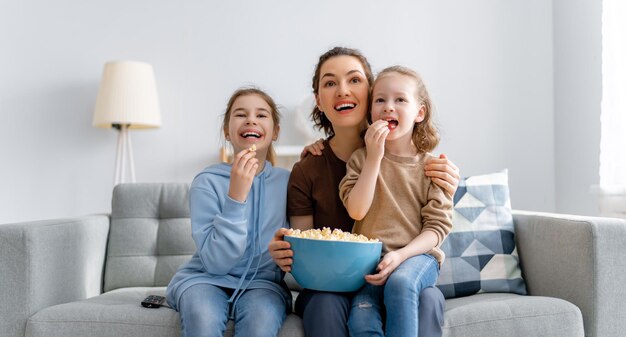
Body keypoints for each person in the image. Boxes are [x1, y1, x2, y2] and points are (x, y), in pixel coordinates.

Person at [269, 47, 459, 337]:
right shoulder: (309, 168)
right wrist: (287, 253)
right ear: (319, 101)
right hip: (335, 284)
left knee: (428, 298)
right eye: (330, 83)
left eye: (354, 80)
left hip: (399, 269)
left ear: (369, 92)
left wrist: (449, 180)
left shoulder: (423, 162)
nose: (343, 90)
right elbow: (304, 246)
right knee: (325, 303)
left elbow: (436, 219)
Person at [166, 88, 291, 337]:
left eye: (261, 115)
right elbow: (216, 262)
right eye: (240, 114)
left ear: (275, 131)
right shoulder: (206, 181)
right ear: (227, 130)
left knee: (260, 323)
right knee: (202, 318)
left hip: (263, 284)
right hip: (205, 279)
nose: (251, 120)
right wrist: (236, 197)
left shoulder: (289, 182)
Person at [339, 65, 453, 336]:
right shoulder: (360, 160)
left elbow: (437, 230)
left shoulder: (433, 167)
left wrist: (400, 256)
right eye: (380, 100)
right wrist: (374, 158)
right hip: (370, 263)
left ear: (419, 112)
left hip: (416, 257)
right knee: (362, 321)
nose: (388, 107)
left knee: (401, 283)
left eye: (400, 99)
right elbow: (356, 210)